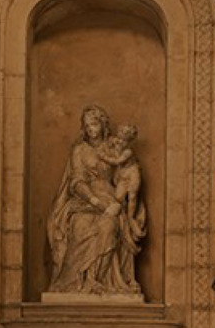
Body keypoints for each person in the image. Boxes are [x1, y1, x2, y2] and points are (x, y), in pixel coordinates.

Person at [47, 105, 146, 295]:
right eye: (87, 126)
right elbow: (76, 182)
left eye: (94, 124)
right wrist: (96, 202)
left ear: (102, 124)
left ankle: (99, 280)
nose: (91, 129)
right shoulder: (79, 150)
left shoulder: (114, 146)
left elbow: (126, 171)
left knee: (110, 225)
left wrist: (120, 199)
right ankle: (79, 280)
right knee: (80, 225)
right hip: (85, 201)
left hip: (112, 197)